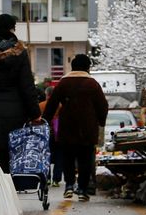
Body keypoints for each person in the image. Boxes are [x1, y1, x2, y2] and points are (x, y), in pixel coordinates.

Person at [0, 14, 40, 174]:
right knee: (8, 157)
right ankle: (6, 190)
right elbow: (27, 86)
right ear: (11, 29)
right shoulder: (19, 52)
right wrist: (35, 113)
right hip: (14, 113)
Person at [42, 54, 108, 201]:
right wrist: (101, 121)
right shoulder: (93, 84)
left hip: (67, 127)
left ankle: (69, 186)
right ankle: (83, 190)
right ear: (87, 67)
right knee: (85, 160)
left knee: (68, 158)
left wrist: (45, 120)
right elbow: (103, 105)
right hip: (88, 128)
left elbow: (52, 104)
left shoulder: (63, 83)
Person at [39, 86, 63, 187]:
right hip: (58, 134)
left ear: (46, 94)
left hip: (45, 134)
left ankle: (47, 178)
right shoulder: (61, 106)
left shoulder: (40, 106)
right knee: (59, 156)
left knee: (45, 156)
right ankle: (56, 180)